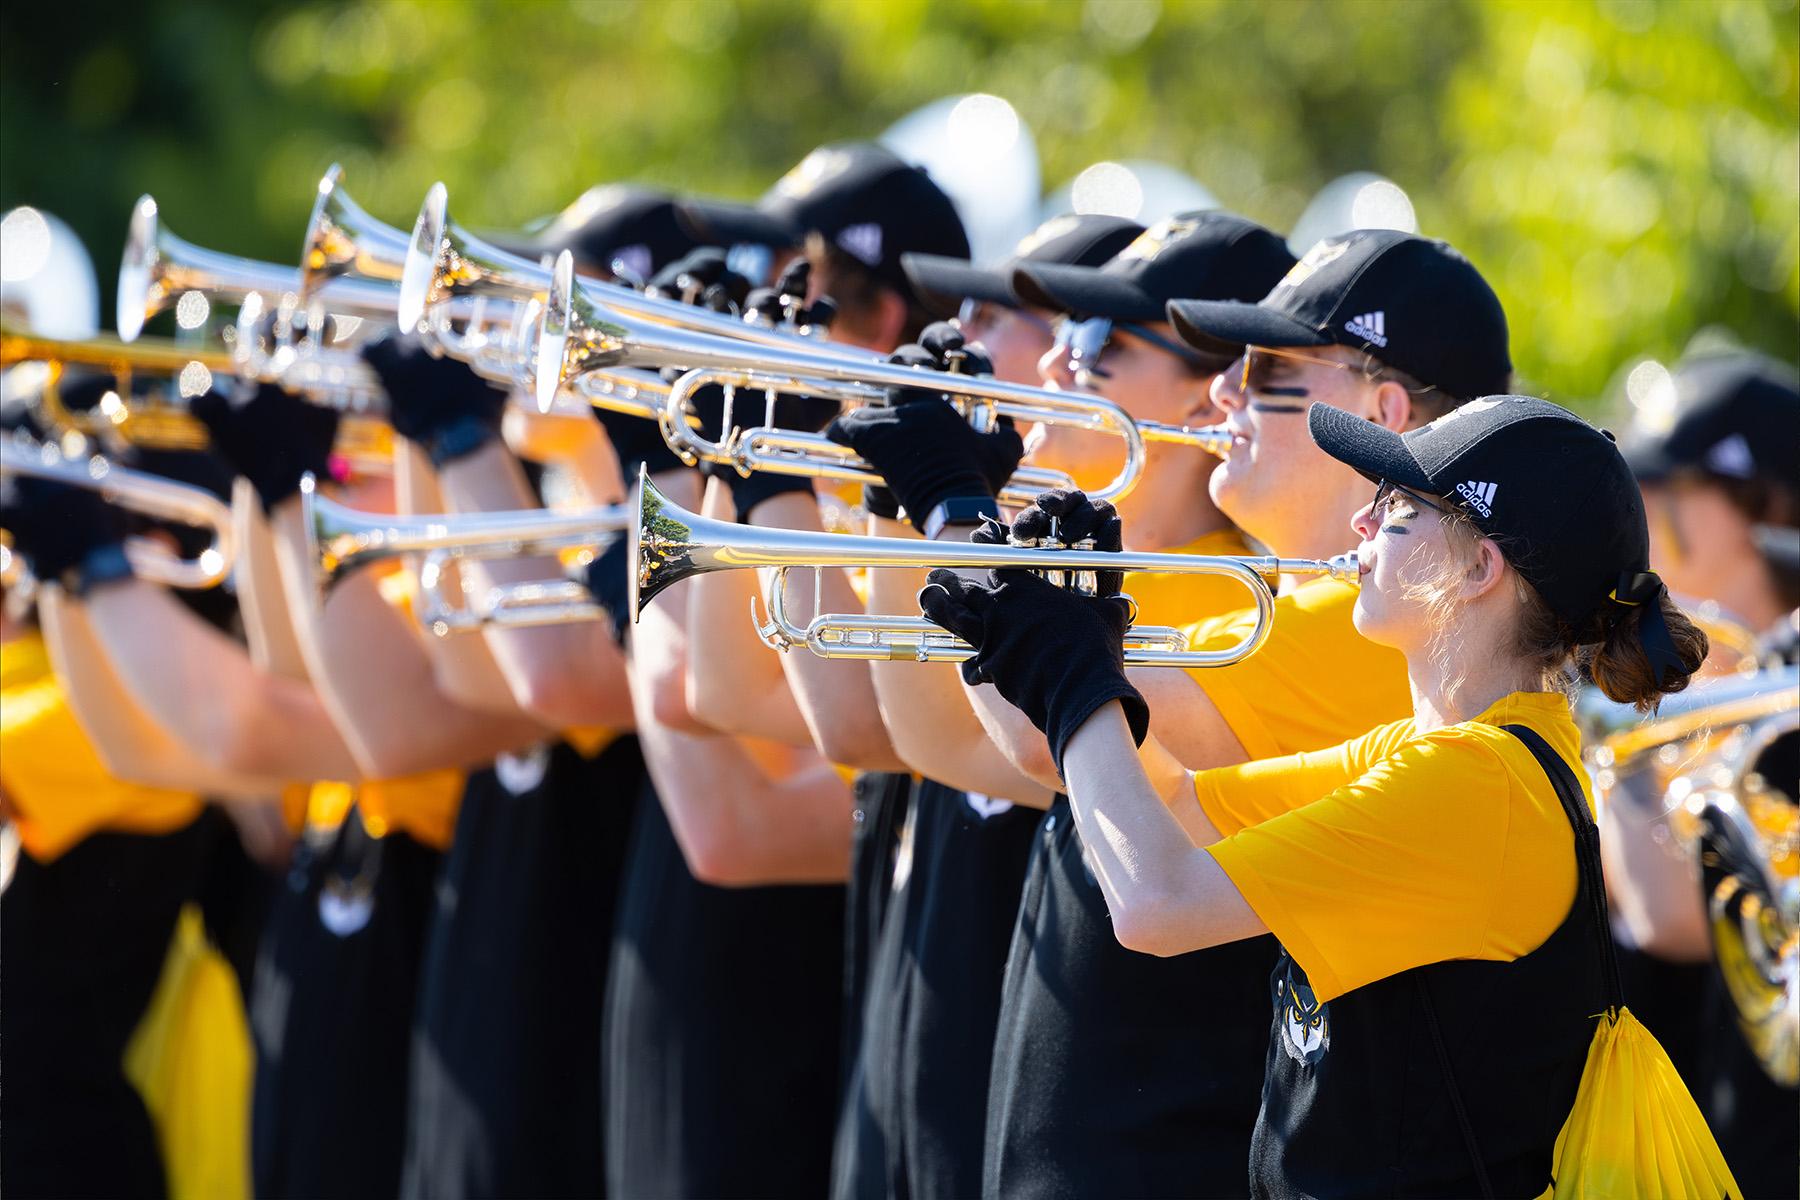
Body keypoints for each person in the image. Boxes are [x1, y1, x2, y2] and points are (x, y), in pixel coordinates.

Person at [922, 395, 1709, 1196]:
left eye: (1397, 509)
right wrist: (1027, 628)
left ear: (1480, 568)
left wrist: (1074, 676)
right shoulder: (1443, 755)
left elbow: (1156, 904)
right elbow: (1177, 808)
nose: (1363, 526)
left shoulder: (1480, 783)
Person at [823, 211, 1292, 1200]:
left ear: (1214, 402)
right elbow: (924, 734)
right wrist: (897, 504)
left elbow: (1034, 749)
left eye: (1103, 342)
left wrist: (953, 513)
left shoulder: (1227, 599)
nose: (1058, 364)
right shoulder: (1094, 562)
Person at [1605, 348, 1800, 1197]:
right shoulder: (1706, 683)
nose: (1636, 508)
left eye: (1668, 483)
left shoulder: (1781, 694)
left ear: (1765, 505)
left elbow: (1671, 921)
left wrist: (1609, 739)